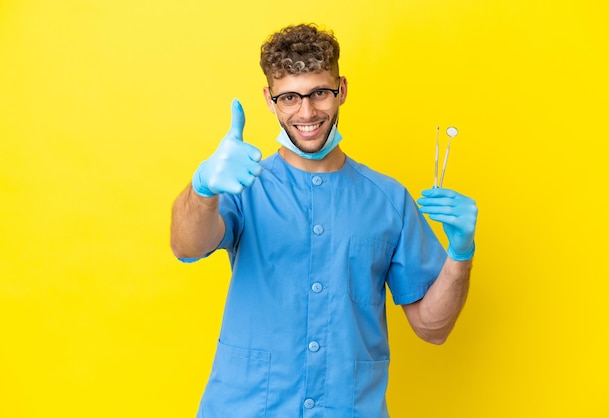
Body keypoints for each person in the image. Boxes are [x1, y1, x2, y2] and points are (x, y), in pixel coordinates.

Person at [170, 23, 477, 418]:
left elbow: (432, 328)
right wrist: (203, 188)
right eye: (290, 97)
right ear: (269, 99)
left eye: (319, 93)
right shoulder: (243, 184)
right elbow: (186, 246)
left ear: (342, 90)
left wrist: (461, 253)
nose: (307, 111)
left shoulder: (388, 199)